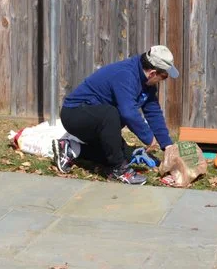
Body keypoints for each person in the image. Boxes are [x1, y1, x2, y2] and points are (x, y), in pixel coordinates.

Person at [52, 45, 178, 184]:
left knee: (120, 153)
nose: (163, 80)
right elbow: (128, 113)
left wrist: (167, 145)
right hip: (75, 114)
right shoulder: (125, 75)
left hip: (98, 119)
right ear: (153, 73)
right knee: (111, 113)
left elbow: (153, 111)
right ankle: (118, 170)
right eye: (164, 76)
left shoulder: (146, 83)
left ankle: (71, 148)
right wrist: (148, 138)